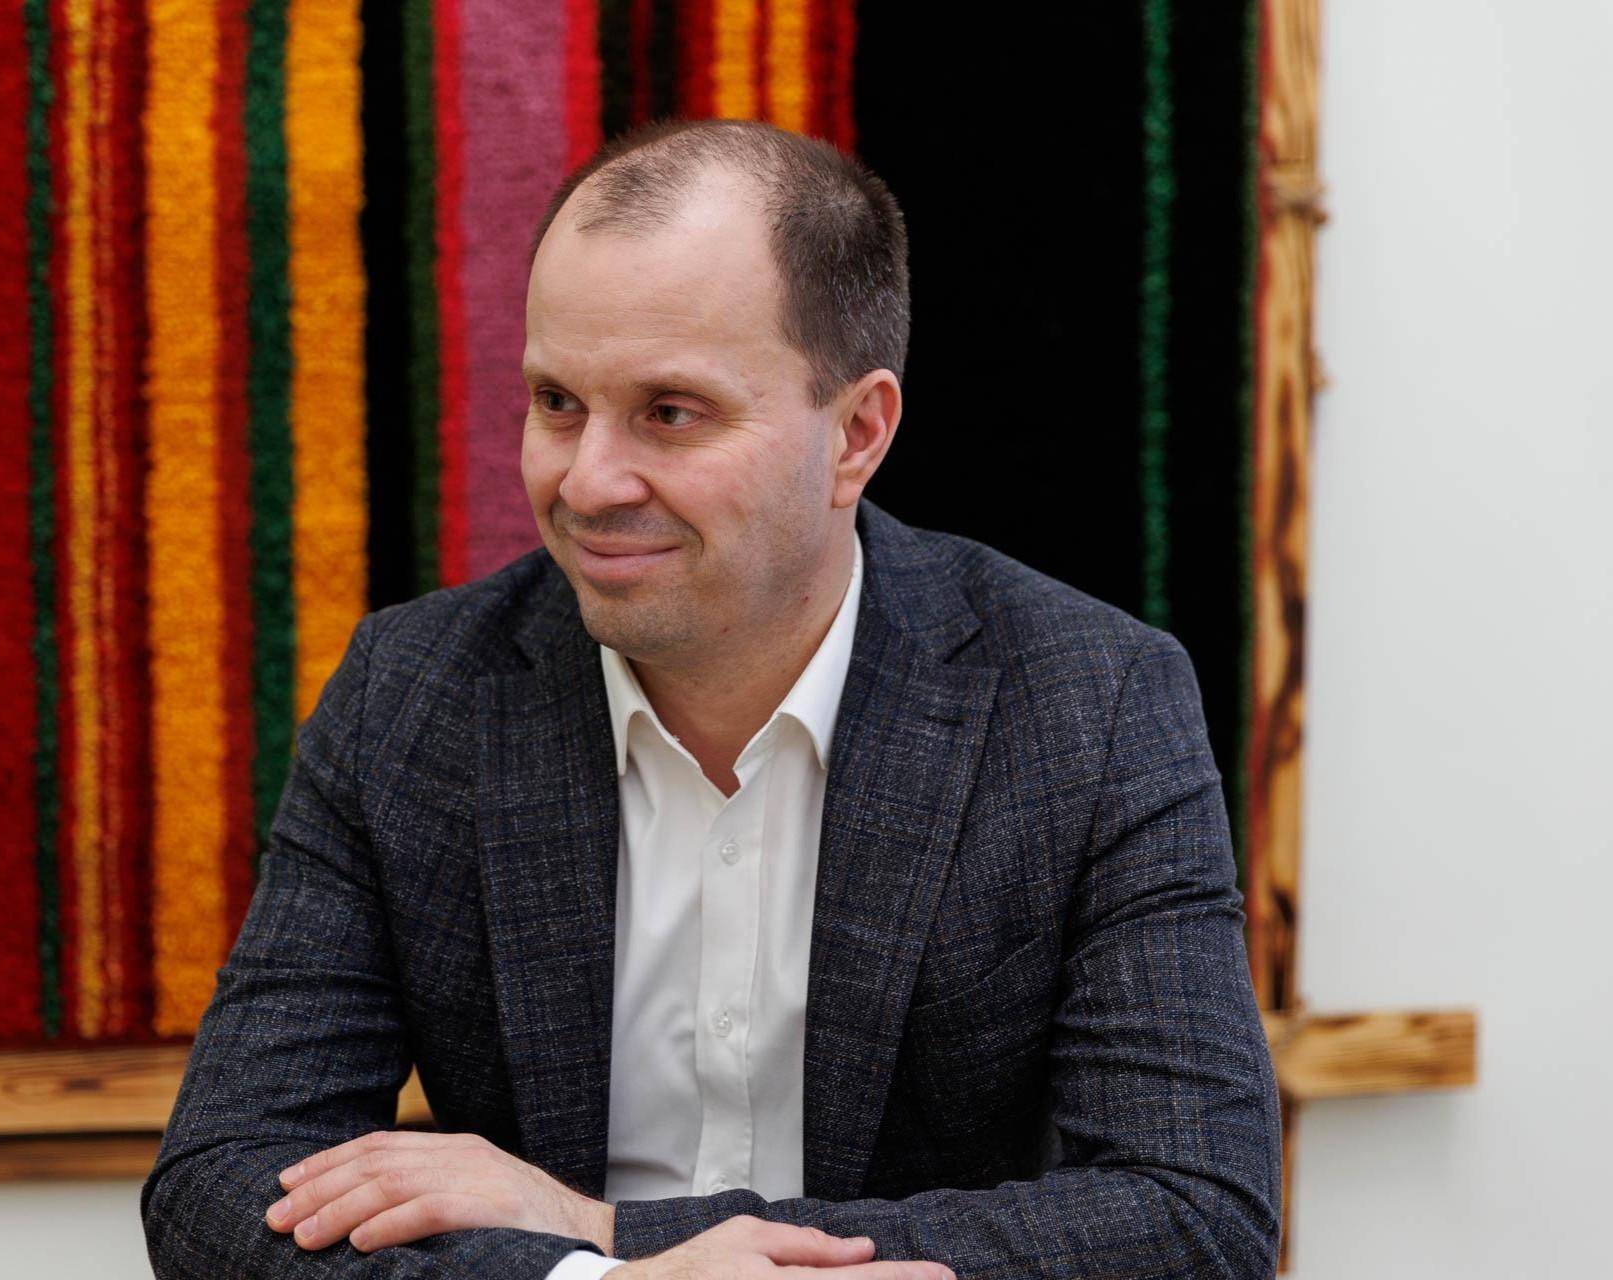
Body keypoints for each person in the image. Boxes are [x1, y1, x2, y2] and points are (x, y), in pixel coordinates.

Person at [141, 116, 1282, 1280]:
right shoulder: (412, 693)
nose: (588, 480)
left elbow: (1197, 1214)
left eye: (670, 412)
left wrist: (604, 1233)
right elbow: (217, 1186)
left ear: (857, 434)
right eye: (557, 402)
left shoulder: (1089, 700)